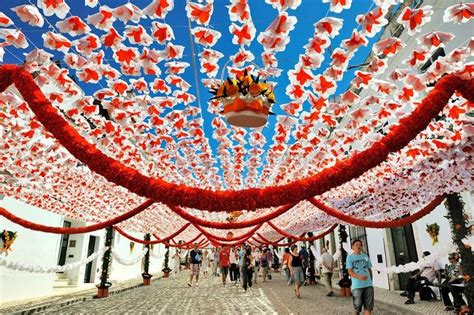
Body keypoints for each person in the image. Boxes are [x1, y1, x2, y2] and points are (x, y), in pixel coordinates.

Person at [346, 239, 374, 315]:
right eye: (356, 245)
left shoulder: (365, 256)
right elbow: (350, 271)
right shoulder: (350, 257)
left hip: (368, 284)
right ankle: (357, 312)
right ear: (353, 247)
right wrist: (359, 277)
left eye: (360, 245)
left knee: (368, 306)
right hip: (357, 285)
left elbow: (369, 269)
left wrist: (371, 281)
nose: (358, 246)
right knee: (357, 305)